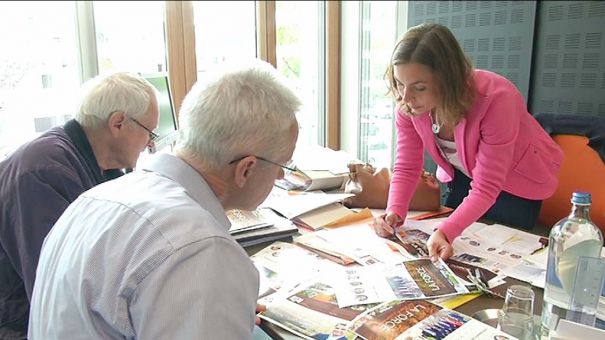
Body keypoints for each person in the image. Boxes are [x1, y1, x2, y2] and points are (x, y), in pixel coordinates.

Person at [28, 60, 301, 339]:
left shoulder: (96, 199)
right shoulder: (200, 249)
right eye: (283, 164)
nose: (281, 175)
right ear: (246, 168)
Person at [371, 23, 563, 261]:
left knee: (501, 262)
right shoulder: (409, 104)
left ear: (447, 79)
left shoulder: (497, 98)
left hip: (516, 183)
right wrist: (395, 211)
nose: (406, 97)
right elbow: (407, 166)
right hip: (463, 175)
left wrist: (446, 231)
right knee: (451, 253)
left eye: (419, 87)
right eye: (400, 83)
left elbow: (487, 186)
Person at [0, 72, 159, 338]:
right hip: (25, 323)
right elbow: (58, 286)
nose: (150, 143)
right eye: (149, 132)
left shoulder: (94, 164)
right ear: (118, 123)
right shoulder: (42, 172)